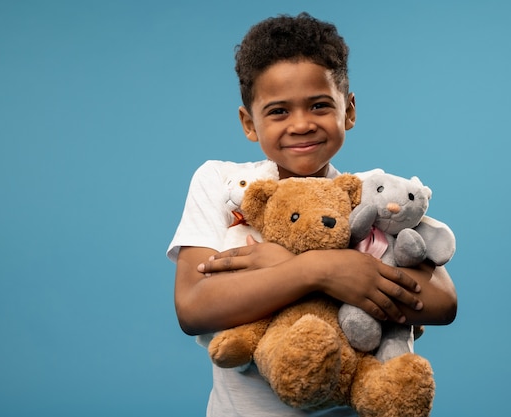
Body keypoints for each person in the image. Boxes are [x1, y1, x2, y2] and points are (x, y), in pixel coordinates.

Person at [167, 12, 457, 417]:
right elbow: (194, 307)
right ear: (249, 123)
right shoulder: (222, 183)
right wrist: (317, 270)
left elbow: (442, 301)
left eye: (319, 105)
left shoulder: (371, 195)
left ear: (349, 111)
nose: (301, 124)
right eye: (278, 111)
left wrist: (300, 271)